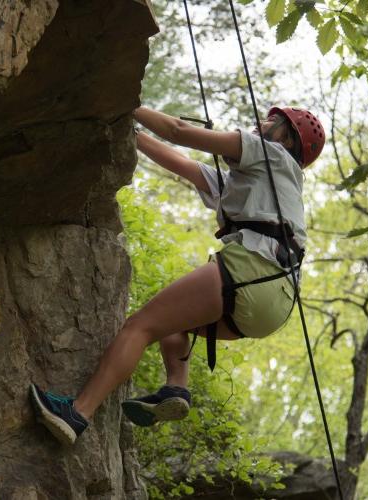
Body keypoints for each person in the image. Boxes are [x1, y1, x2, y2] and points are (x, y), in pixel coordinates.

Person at [29, 105, 325, 445]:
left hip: (253, 269)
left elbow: (178, 132)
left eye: (272, 122)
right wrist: (133, 135)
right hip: (274, 307)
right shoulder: (263, 181)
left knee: (139, 326)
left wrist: (128, 103)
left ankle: (77, 413)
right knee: (174, 323)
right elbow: (185, 165)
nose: (262, 123)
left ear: (285, 139)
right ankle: (176, 387)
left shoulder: (268, 154)